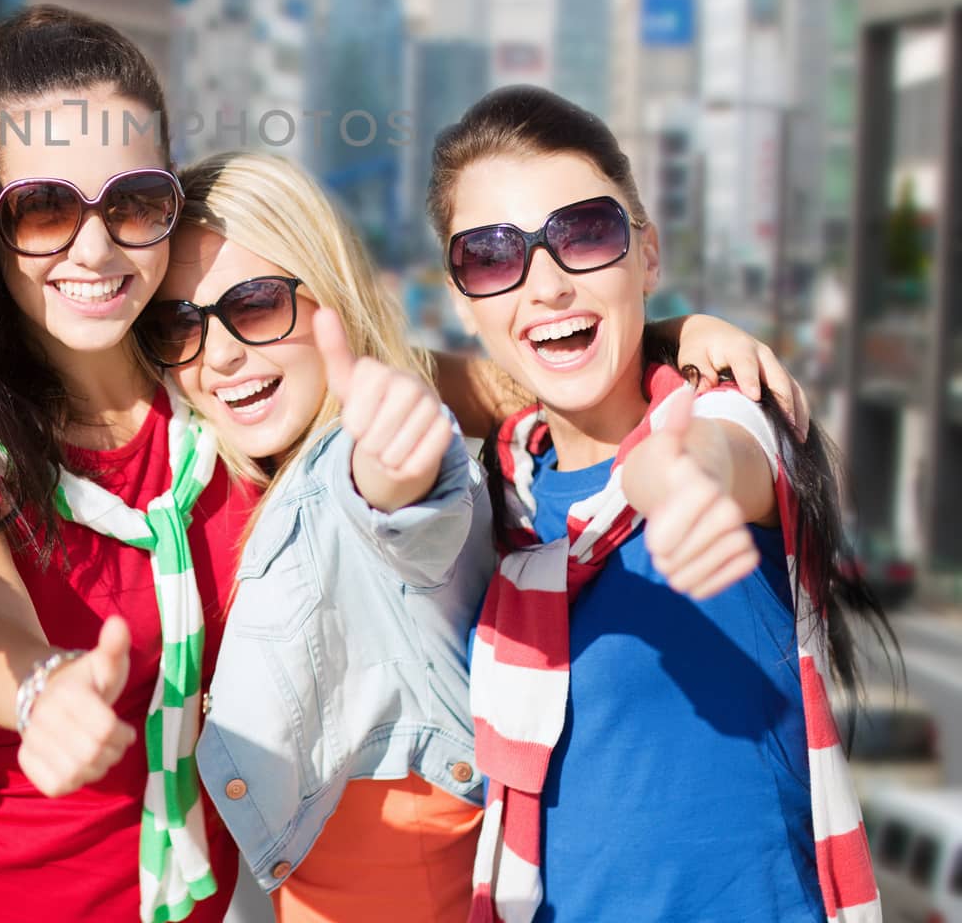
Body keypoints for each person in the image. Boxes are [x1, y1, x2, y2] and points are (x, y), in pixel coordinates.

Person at [143, 150, 801, 923]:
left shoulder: (354, 458)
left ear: (331, 296)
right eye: (175, 324)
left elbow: (407, 508)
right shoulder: (205, 461)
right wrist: (670, 330)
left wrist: (398, 472)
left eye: (254, 306)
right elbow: (536, 364)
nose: (218, 352)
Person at [0, 7, 258, 923]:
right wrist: (41, 689)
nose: (96, 249)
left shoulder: (228, 388)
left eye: (137, 202)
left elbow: (431, 373)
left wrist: (651, 342)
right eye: (45, 209)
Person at [429, 86, 886, 923]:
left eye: (585, 234)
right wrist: (673, 326)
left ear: (646, 253)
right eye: (493, 256)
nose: (546, 282)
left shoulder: (730, 417)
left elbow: (713, 453)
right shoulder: (498, 499)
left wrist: (670, 478)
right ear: (463, 298)